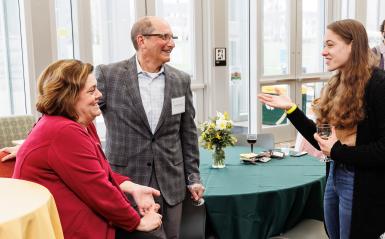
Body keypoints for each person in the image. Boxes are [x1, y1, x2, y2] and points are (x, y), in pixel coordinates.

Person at [258, 19, 385, 239]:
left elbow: (383, 149)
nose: (323, 52)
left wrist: (337, 151)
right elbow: (322, 140)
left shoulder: (379, 85)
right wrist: (291, 109)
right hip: (335, 173)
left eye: (330, 45)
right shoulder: (337, 84)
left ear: (353, 45)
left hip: (362, 183)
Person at [12, 59, 163, 239]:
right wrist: (137, 222)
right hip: (71, 228)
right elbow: (98, 189)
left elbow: (97, 171)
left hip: (86, 217)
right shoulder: (64, 131)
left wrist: (132, 187)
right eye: (92, 90)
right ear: (69, 96)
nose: (99, 94)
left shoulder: (80, 123)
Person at [95, 16, 203, 239]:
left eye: (172, 37)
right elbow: (78, 111)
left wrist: (193, 177)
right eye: (164, 36)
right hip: (128, 180)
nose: (171, 43)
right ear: (141, 40)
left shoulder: (180, 80)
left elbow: (188, 133)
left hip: (171, 182)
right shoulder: (109, 75)